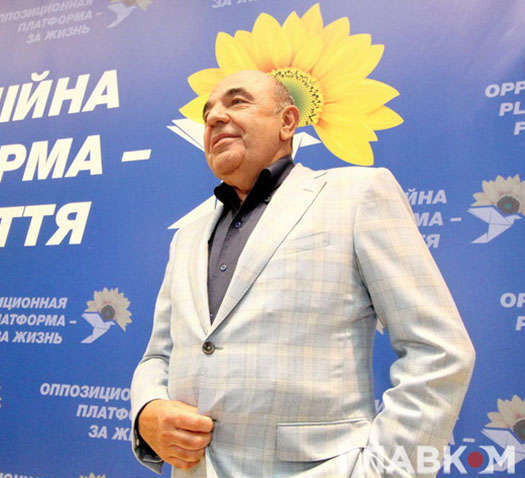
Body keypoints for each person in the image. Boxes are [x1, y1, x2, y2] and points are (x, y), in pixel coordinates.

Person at [130, 70, 475, 477]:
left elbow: (438, 351)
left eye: (237, 102)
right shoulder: (188, 235)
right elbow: (159, 354)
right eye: (208, 113)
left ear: (288, 122)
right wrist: (147, 410)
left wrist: (387, 471)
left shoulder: (358, 194)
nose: (215, 117)